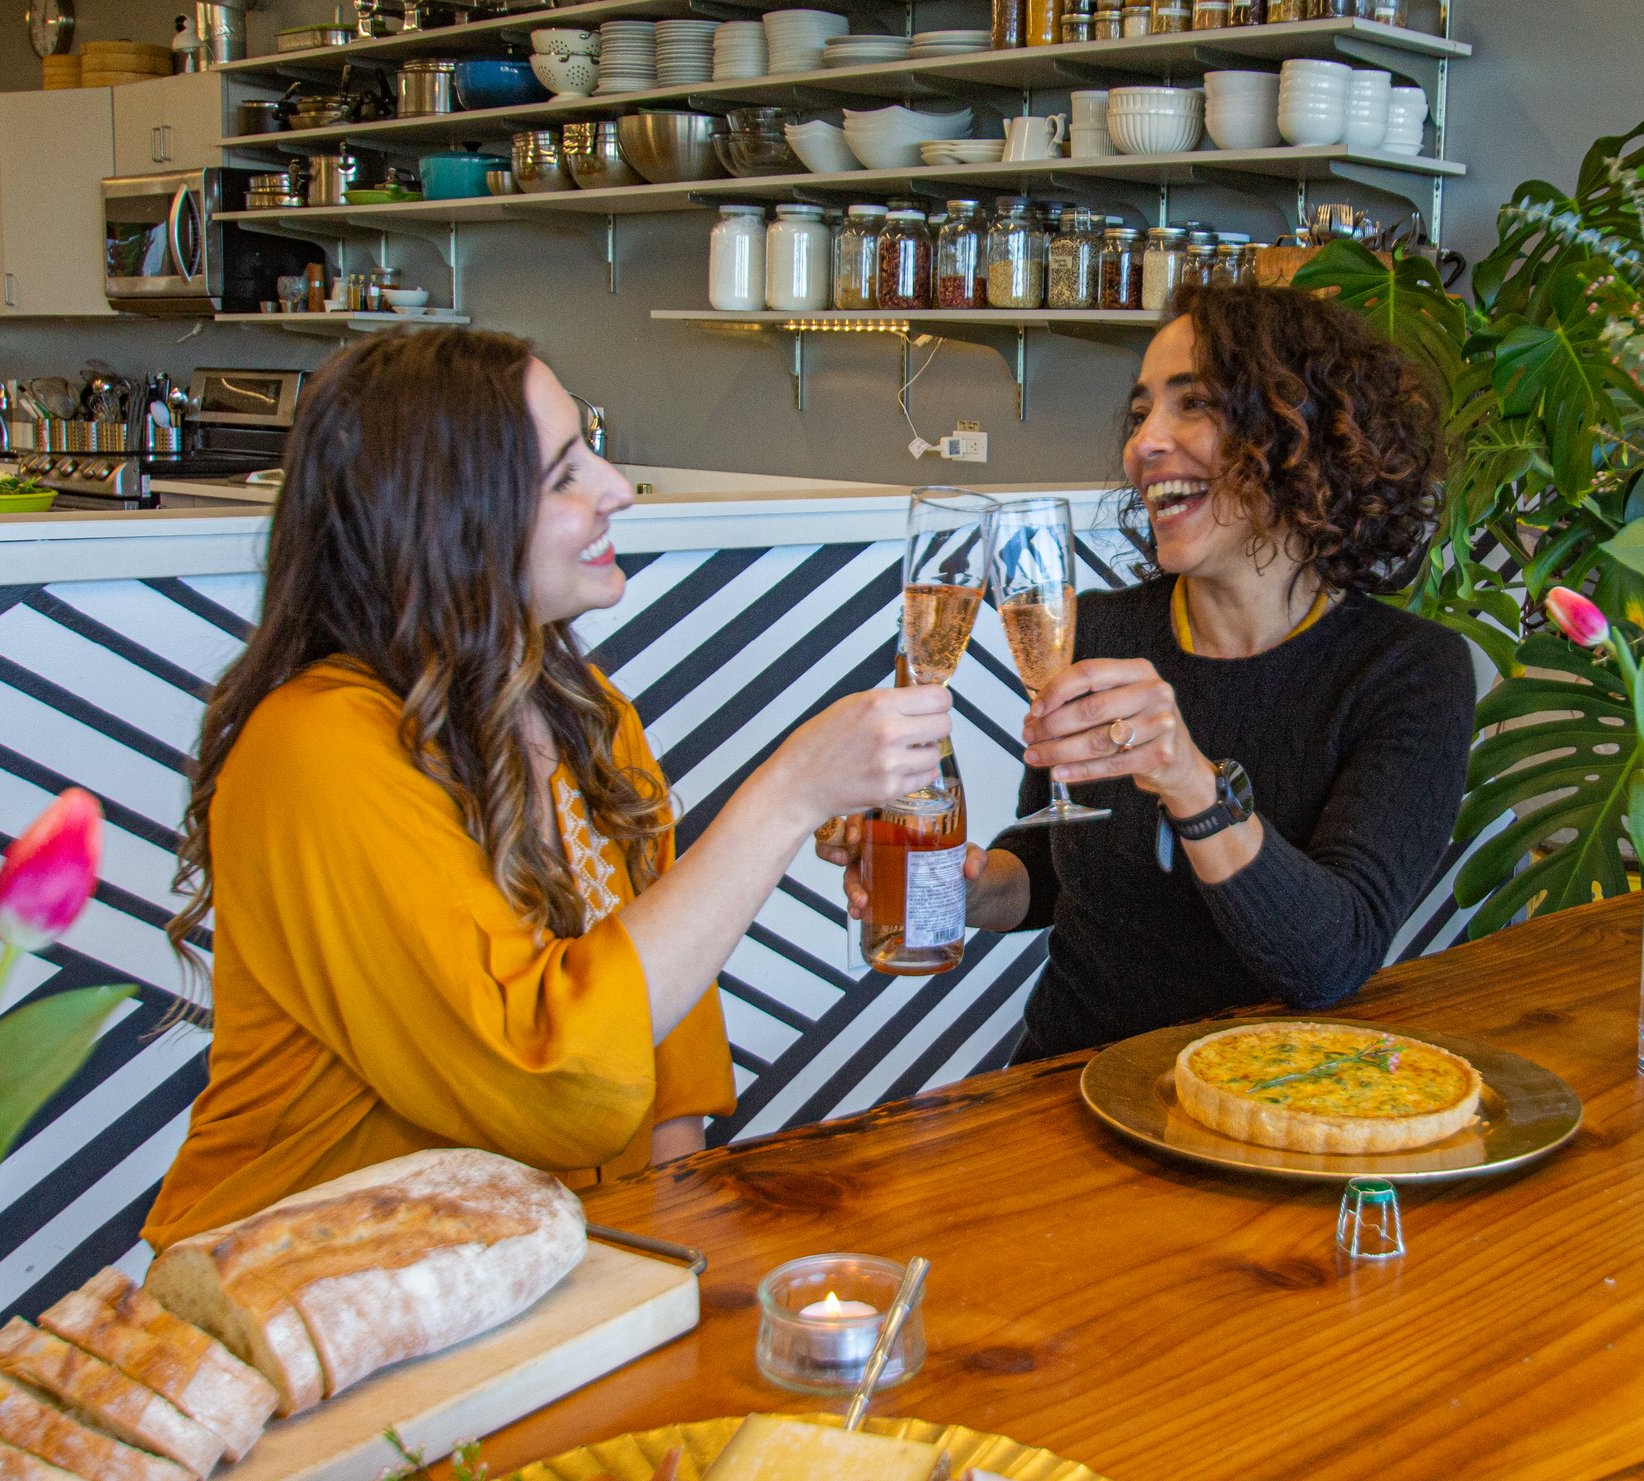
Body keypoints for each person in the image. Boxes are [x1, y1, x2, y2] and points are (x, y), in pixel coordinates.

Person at [144, 330, 951, 1248]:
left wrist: (670, 1247)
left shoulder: (587, 710)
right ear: (449, 516)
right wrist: (788, 795)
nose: (616, 488)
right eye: (565, 473)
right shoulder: (317, 748)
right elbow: (546, 1077)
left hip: (543, 1274)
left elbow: (668, 1038)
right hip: (305, 1301)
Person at [840, 284, 1477, 1061]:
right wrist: (965, 887)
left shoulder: (1407, 673)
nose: (1143, 443)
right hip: (1064, 1086)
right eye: (1142, 412)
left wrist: (1189, 778)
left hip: (1262, 1111)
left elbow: (1330, 960)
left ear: (1299, 436)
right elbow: (1054, 867)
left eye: (1194, 404)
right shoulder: (1103, 629)